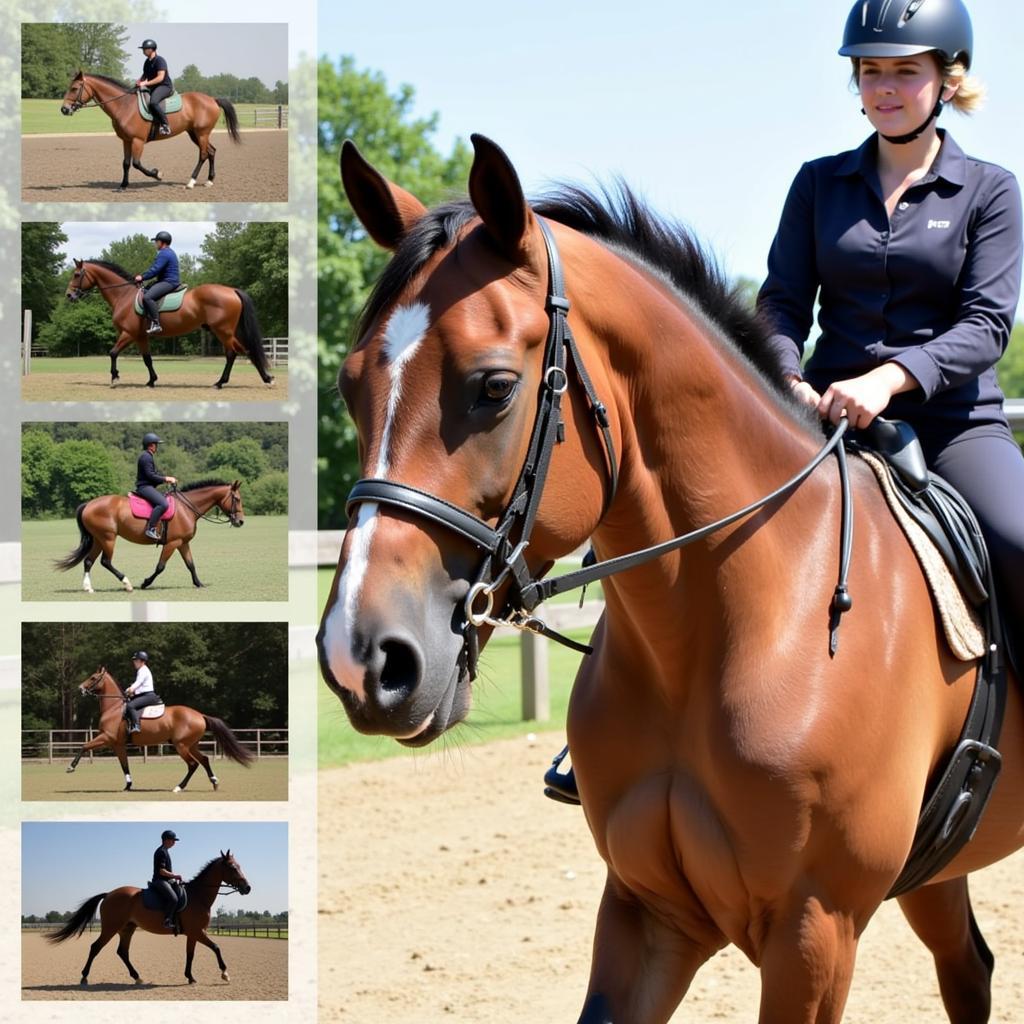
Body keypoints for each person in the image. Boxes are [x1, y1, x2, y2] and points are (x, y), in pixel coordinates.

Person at [758, 0, 1023, 639]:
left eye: (905, 71)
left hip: (954, 426)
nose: (883, 87)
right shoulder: (817, 185)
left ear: (948, 80)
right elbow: (782, 304)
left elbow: (986, 324)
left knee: (1022, 543)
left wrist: (888, 380)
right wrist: (787, 375)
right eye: (870, 70)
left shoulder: (991, 192)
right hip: (823, 417)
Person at [134, 231, 180, 335]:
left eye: (156, 241)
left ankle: (156, 324)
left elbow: (155, 270)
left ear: (162, 242)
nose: (155, 244)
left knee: (147, 297)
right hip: (166, 281)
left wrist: (142, 277)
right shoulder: (168, 252)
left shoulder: (164, 253)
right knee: (145, 291)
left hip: (168, 282)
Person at [136, 432, 177, 541]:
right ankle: (150, 528)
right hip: (144, 487)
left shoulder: (148, 456)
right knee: (163, 503)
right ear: (151, 445)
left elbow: (153, 475)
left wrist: (165, 480)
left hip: (148, 486)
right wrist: (166, 479)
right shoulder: (146, 457)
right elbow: (150, 475)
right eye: (156, 444)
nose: (157, 447)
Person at [136, 38, 173, 137]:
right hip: (153, 87)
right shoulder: (147, 61)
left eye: (145, 49)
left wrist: (145, 84)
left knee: (153, 102)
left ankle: (165, 124)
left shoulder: (160, 60)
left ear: (151, 49)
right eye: (143, 49)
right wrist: (139, 81)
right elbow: (145, 75)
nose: (143, 51)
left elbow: (160, 78)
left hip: (164, 86)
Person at [152, 829, 184, 931]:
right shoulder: (161, 852)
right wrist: (175, 876)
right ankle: (167, 921)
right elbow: (162, 871)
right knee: (173, 898)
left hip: (166, 880)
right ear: (166, 840)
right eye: (173, 840)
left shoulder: (165, 851)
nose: (174, 842)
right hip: (160, 880)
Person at [124, 650, 162, 732]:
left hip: (148, 696)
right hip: (144, 695)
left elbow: (138, 683)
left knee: (130, 706)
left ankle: (136, 726)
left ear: (142, 661)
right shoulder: (142, 670)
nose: (134, 662)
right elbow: (139, 687)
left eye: (136, 660)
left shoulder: (143, 670)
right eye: (134, 660)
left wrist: (129, 690)